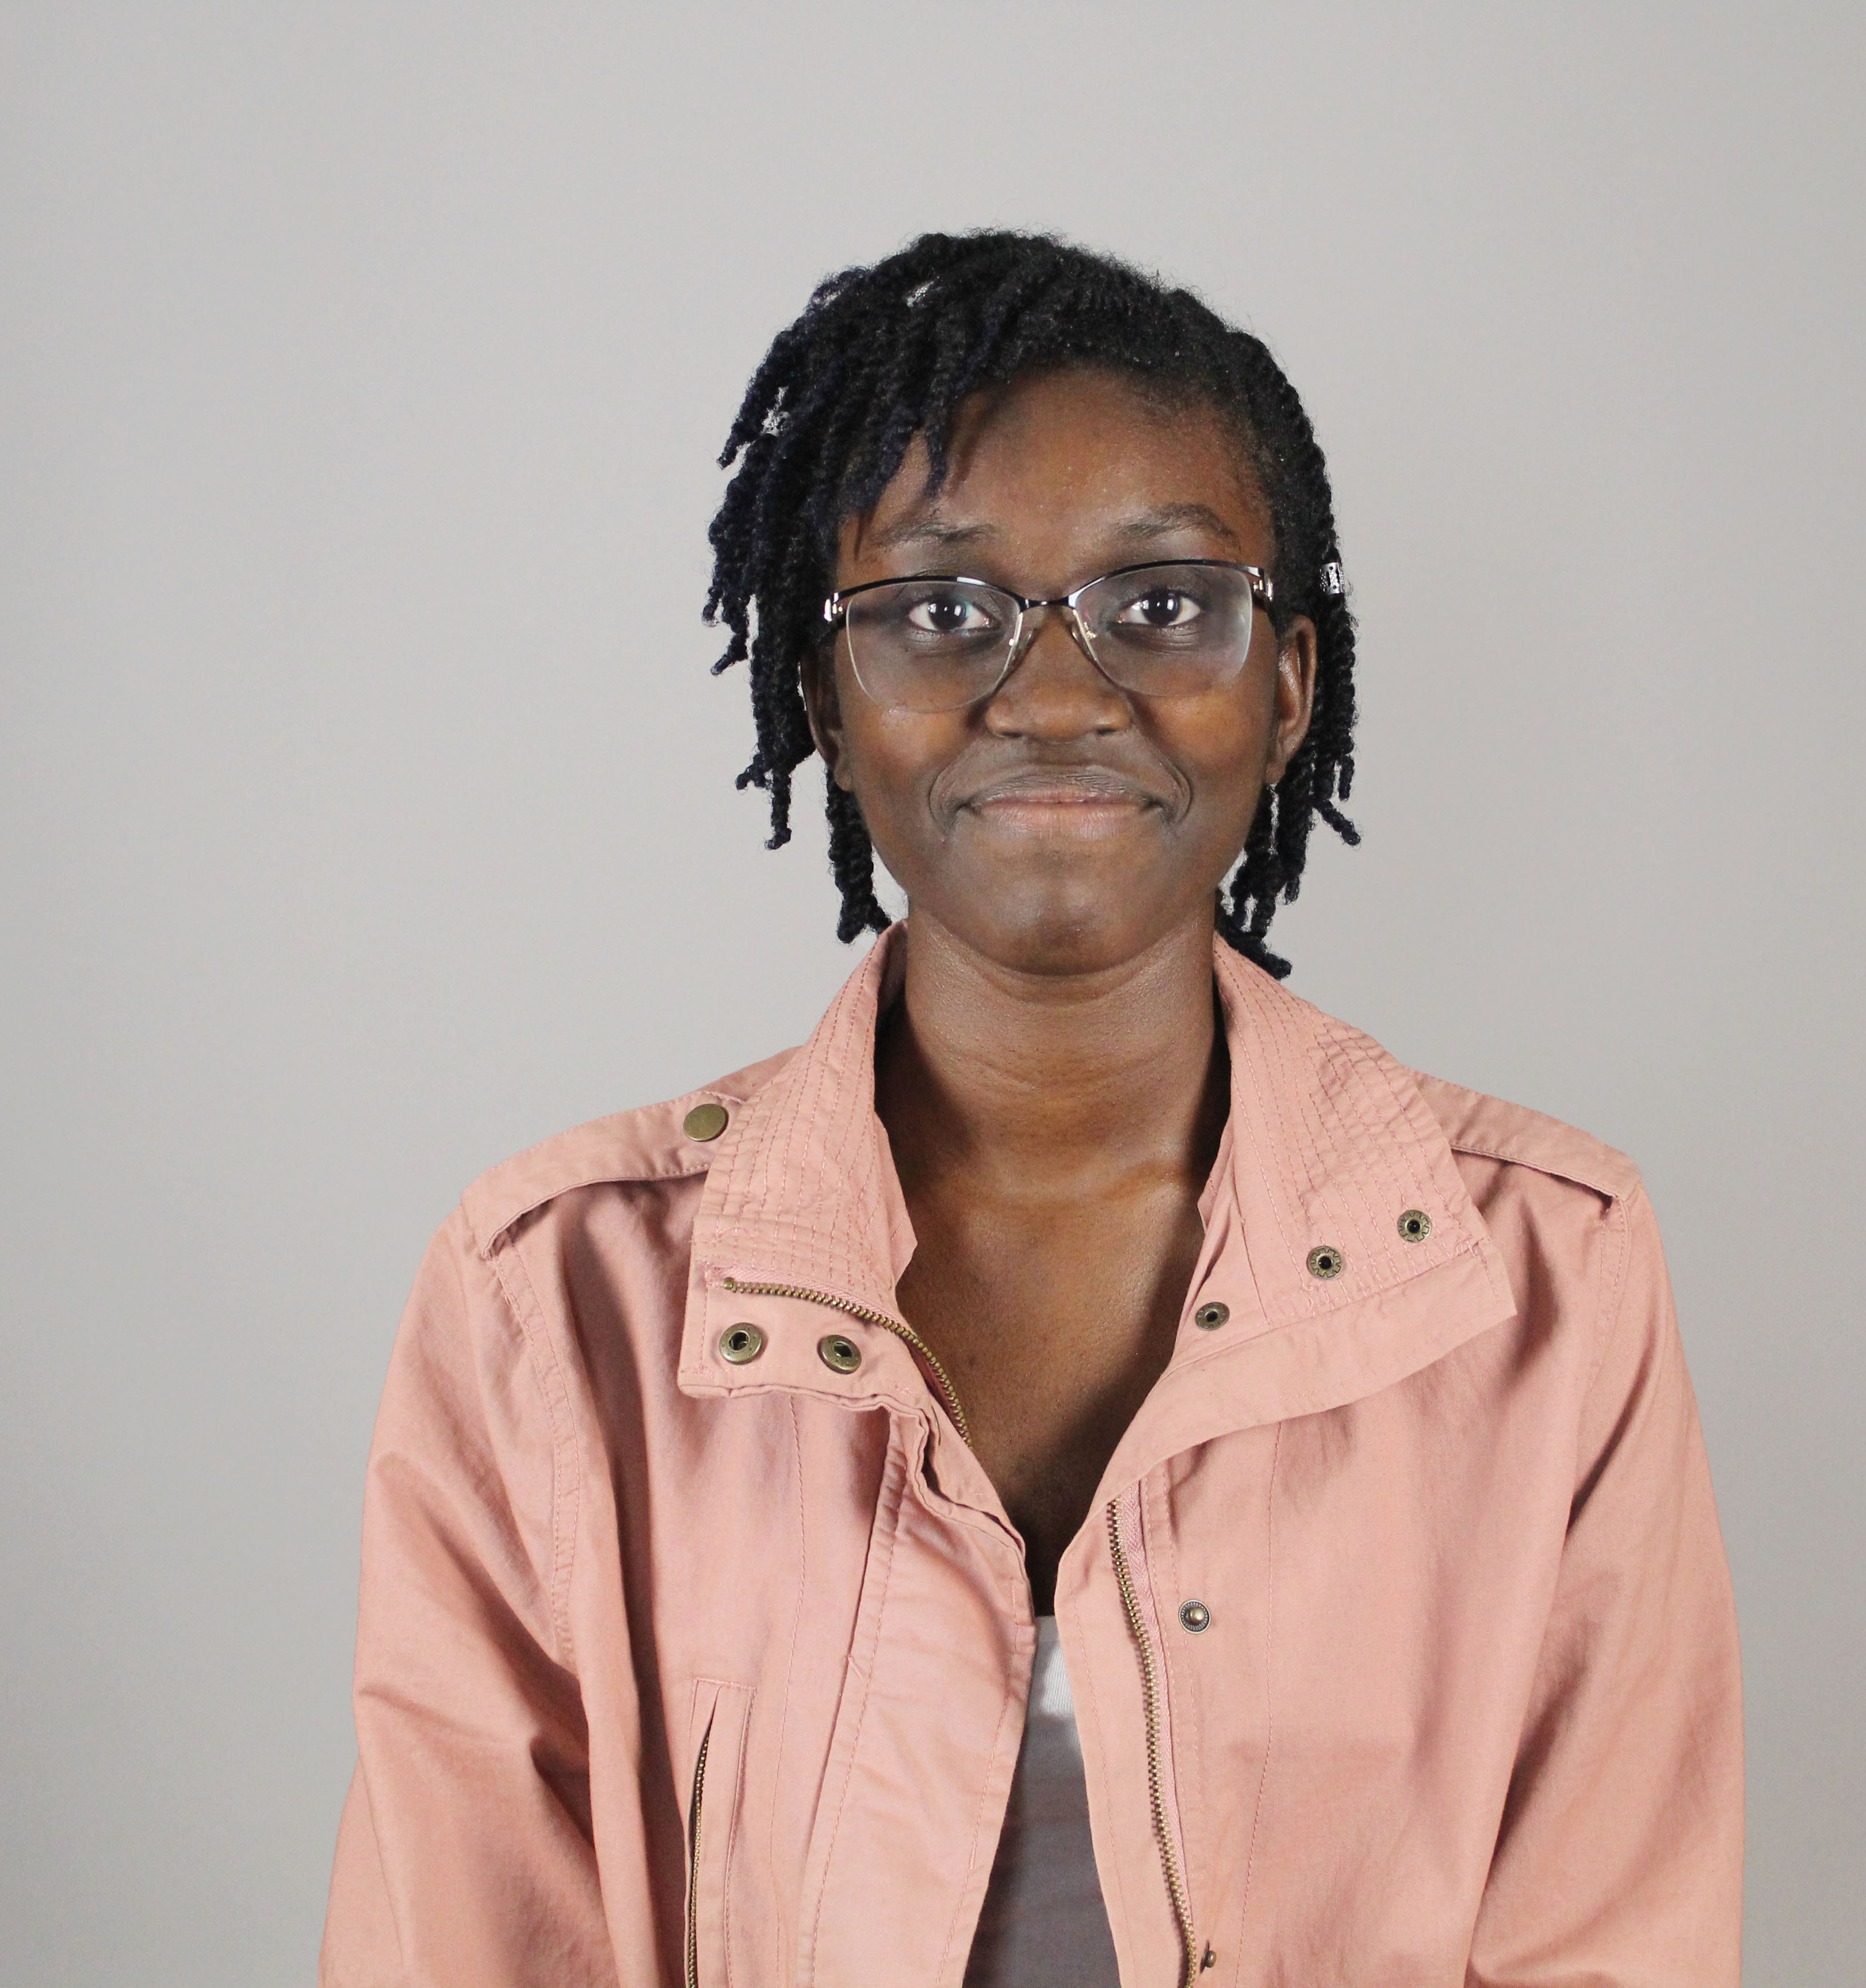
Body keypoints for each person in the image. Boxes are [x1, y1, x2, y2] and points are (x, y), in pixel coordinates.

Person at [320, 231, 1742, 1988]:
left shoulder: (1541, 1270)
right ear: (827, 696)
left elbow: (1610, 1941)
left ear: (1288, 686)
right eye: (941, 612)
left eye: (1163, 604)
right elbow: (464, 1943)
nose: (1058, 698)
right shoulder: (553, 1294)